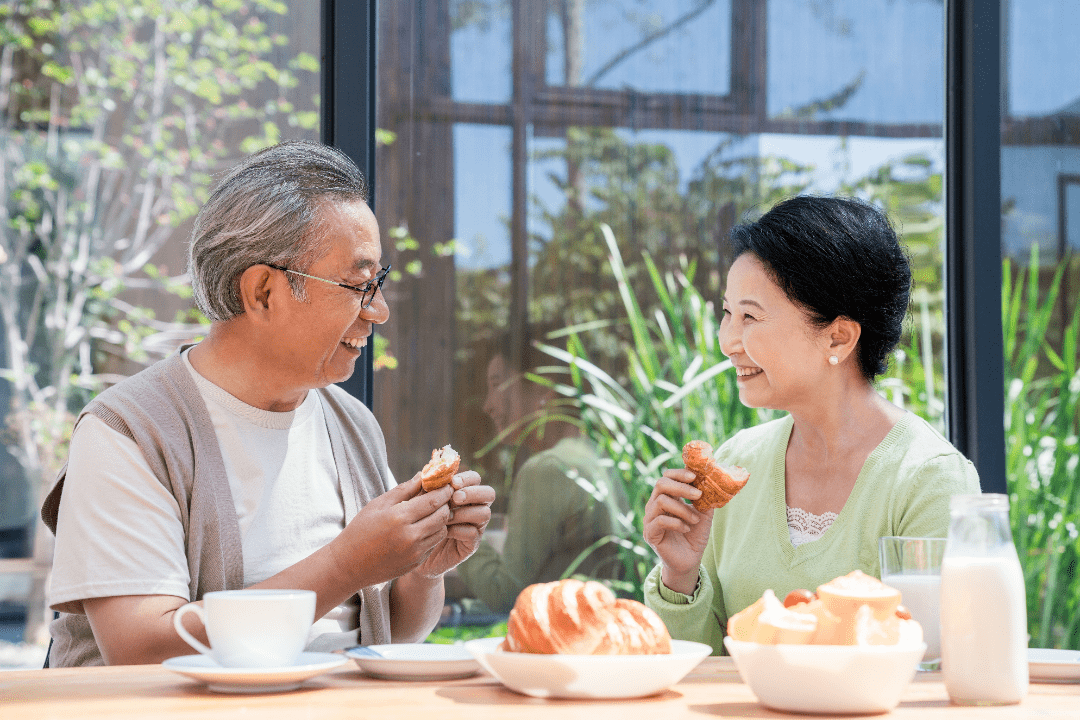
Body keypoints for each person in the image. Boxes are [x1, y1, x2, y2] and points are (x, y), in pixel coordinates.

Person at [41, 141, 495, 667]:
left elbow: (390, 632)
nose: (381, 311)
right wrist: (346, 564)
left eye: (380, 282)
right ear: (261, 292)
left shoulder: (351, 425)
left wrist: (424, 567)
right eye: (358, 284)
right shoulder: (128, 431)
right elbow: (141, 648)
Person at [642, 195, 980, 655]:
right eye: (727, 313)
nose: (727, 341)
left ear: (838, 335)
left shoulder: (929, 480)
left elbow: (935, 666)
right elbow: (701, 671)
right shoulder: (737, 464)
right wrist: (679, 576)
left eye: (750, 316)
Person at [453, 331, 627, 614]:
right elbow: (550, 583)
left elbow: (506, 594)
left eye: (497, 384)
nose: (488, 405)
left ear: (544, 391)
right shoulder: (599, 456)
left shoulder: (548, 469)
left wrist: (457, 522)